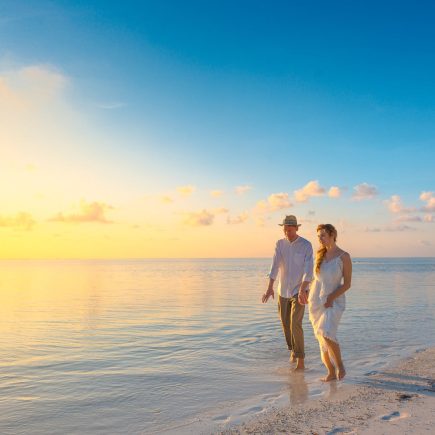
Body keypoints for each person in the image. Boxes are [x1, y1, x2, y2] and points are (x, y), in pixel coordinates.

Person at [262, 215, 313, 371]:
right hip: (282, 290)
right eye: (285, 230)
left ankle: (301, 360)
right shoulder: (280, 244)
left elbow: (308, 269)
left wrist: (304, 288)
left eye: (290, 230)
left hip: (300, 290)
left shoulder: (306, 245)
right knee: (285, 324)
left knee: (295, 324)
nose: (287, 233)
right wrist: (270, 287)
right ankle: (292, 350)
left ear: (297, 228)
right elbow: (275, 266)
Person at [308, 224, 352, 381]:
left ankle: (340, 366)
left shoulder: (344, 257)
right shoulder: (320, 255)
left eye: (323, 235)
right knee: (321, 337)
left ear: (333, 234)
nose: (320, 239)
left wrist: (331, 298)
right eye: (318, 236)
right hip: (316, 301)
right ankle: (330, 372)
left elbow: (347, 284)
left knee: (326, 333)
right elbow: (315, 279)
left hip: (334, 301)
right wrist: (303, 292)